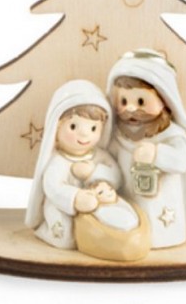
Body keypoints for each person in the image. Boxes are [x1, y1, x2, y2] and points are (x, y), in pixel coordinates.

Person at [107, 49, 186, 248]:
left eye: (141, 101)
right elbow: (109, 161)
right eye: (124, 101)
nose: (131, 108)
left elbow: (182, 161)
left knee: (158, 232)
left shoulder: (172, 134)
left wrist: (157, 154)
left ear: (164, 99)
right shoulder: (118, 135)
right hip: (128, 207)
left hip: (164, 214)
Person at [25, 80, 121, 249]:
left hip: (98, 205)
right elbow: (53, 187)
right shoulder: (58, 161)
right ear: (57, 126)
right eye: (73, 126)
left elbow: (116, 176)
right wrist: (75, 198)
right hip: (63, 209)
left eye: (93, 128)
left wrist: (94, 173)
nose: (84, 135)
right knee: (67, 233)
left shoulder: (100, 156)